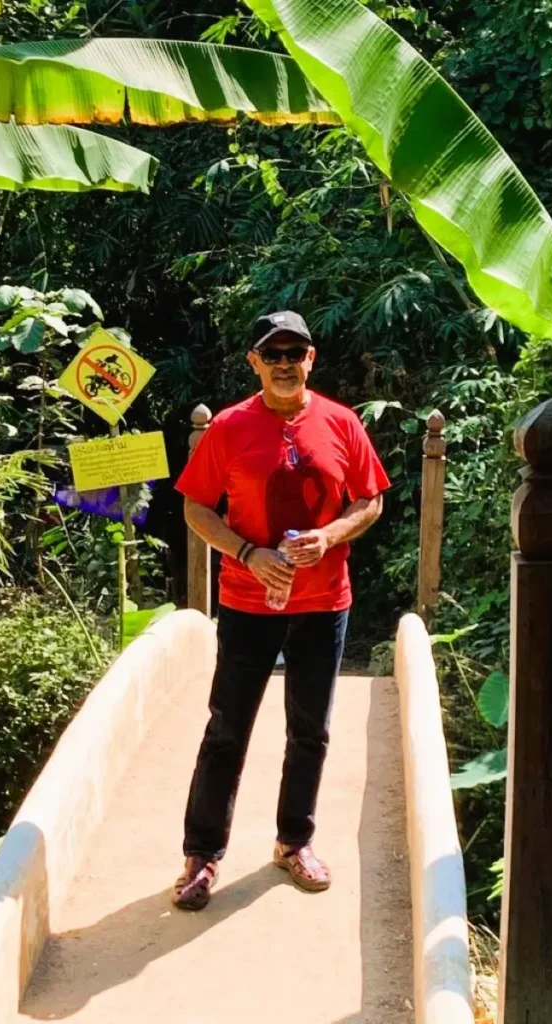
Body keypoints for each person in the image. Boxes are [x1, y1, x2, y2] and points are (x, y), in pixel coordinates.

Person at [172, 310, 390, 911]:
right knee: (227, 730)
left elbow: (369, 500)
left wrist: (332, 535)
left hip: (324, 602)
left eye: (296, 352)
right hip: (248, 601)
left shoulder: (342, 423)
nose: (286, 363)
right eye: (274, 354)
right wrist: (246, 551)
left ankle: (294, 842)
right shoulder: (228, 428)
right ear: (256, 363)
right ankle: (202, 855)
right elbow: (196, 508)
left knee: (311, 731)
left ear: (311, 359)